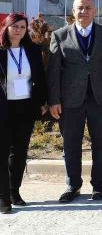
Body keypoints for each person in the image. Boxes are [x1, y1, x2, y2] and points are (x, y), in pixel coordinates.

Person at [48, 0, 102, 203]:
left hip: (100, 99)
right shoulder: (59, 35)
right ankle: (73, 185)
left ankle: (98, 186)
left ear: (94, 11)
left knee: (101, 145)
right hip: (70, 101)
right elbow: (53, 71)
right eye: (80, 8)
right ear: (73, 11)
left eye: (88, 8)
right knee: (71, 145)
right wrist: (53, 100)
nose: (84, 11)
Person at [0, 13, 47, 213]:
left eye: (22, 27)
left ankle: (14, 191)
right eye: (15, 26)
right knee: (2, 153)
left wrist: (42, 102)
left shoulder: (32, 50)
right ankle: (2, 197)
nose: (18, 30)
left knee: (19, 152)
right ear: (6, 28)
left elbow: (41, 78)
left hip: (26, 107)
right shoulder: (1, 50)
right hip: (3, 108)